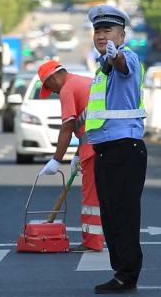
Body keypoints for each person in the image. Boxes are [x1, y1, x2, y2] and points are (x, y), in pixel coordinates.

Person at [85, 4, 147, 294]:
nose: (101, 35)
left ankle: (127, 275)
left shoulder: (126, 58)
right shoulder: (102, 69)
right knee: (110, 217)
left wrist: (117, 56)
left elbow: (125, 65)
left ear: (122, 35)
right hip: (106, 151)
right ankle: (120, 271)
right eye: (97, 30)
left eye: (107, 30)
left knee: (124, 216)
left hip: (125, 150)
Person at [37, 60, 104, 253]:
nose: (52, 91)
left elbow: (67, 127)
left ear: (54, 77)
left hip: (94, 148)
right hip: (101, 144)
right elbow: (87, 124)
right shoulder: (83, 81)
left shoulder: (67, 90)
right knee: (104, 194)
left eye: (49, 86)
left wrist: (56, 160)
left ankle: (92, 241)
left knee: (91, 198)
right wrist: (76, 155)